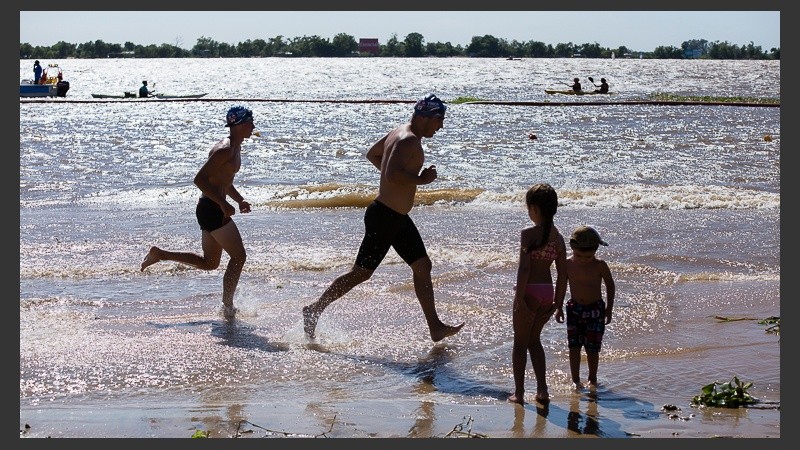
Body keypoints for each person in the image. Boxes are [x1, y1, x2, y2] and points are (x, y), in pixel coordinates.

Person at [302, 94, 465, 342]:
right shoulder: (409, 140)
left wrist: (402, 177)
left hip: (396, 217)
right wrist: (420, 180)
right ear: (425, 117)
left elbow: (373, 155)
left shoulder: (399, 132)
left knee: (422, 266)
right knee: (360, 273)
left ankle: (435, 327)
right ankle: (314, 309)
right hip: (384, 217)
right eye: (439, 120)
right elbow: (390, 175)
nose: (440, 126)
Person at [140, 105, 256, 319]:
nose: (253, 125)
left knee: (210, 263)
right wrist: (222, 203)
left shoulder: (234, 147)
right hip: (211, 208)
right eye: (250, 121)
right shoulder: (224, 150)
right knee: (239, 256)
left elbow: (222, 180)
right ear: (239, 125)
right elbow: (199, 180)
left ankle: (161, 254)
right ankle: (228, 307)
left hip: (210, 208)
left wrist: (239, 200)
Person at [508, 183, 567, 405]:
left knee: (520, 344)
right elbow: (563, 274)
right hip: (547, 294)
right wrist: (558, 303)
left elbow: (524, 269)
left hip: (530, 292)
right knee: (535, 341)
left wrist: (519, 299)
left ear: (533, 208)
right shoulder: (558, 238)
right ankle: (542, 390)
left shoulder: (528, 234)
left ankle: (519, 393)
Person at [556, 225, 616, 389]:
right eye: (579, 255)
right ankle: (575, 379)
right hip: (574, 309)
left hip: (595, 310)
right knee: (574, 346)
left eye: (588, 256)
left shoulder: (600, 265)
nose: (583, 259)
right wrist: (558, 306)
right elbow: (561, 284)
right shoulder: (567, 264)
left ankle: (592, 378)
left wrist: (609, 309)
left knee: (592, 348)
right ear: (572, 249)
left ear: (596, 251)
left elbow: (610, 286)